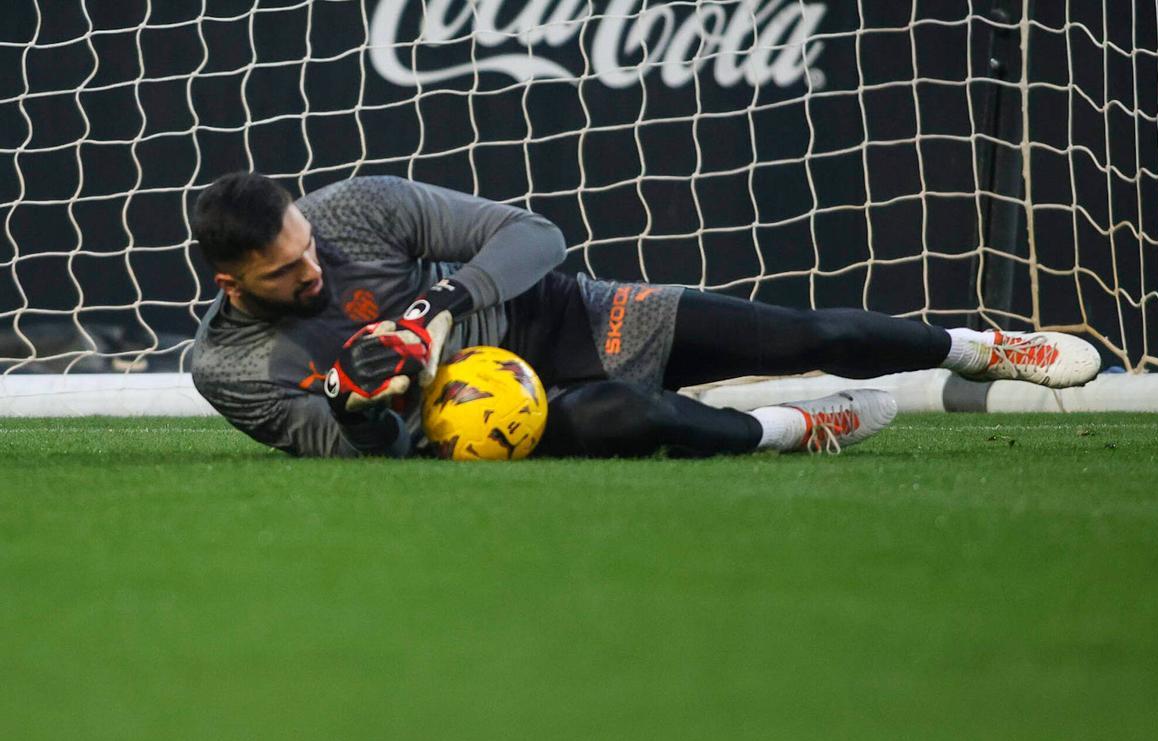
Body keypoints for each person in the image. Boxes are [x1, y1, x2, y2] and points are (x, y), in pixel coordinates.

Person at [188, 171, 1101, 460]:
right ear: (234, 284)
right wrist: (366, 404)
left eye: (307, 246)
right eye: (284, 271)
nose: (311, 267)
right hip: (476, 422)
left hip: (562, 316)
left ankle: (981, 347)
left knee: (802, 333)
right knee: (646, 415)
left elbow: (532, 234)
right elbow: (353, 455)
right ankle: (791, 429)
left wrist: (437, 306)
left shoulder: (357, 208)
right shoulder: (228, 368)